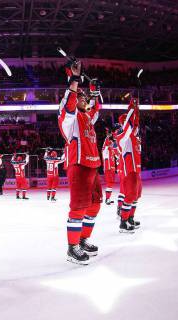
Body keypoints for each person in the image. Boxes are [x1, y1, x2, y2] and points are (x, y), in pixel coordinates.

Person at [58, 60, 102, 265]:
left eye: (85, 98)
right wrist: (74, 80)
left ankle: (83, 240)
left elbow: (97, 108)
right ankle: (72, 247)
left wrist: (94, 90)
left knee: (94, 206)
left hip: (93, 165)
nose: (84, 99)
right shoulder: (70, 118)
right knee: (78, 207)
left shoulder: (86, 116)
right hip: (79, 165)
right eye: (81, 97)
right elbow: (69, 105)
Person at [114, 98, 142, 232]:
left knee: (136, 195)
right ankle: (123, 222)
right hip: (128, 170)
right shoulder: (121, 136)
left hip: (136, 169)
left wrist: (136, 109)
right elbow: (130, 125)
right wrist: (131, 107)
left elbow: (135, 124)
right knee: (130, 195)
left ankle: (130, 218)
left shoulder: (132, 135)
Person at [102, 130, 117, 205]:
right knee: (109, 184)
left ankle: (108, 198)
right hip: (108, 168)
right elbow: (106, 144)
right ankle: (107, 199)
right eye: (110, 144)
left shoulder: (112, 150)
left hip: (112, 168)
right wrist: (108, 137)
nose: (112, 144)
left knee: (111, 184)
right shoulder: (105, 150)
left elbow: (116, 145)